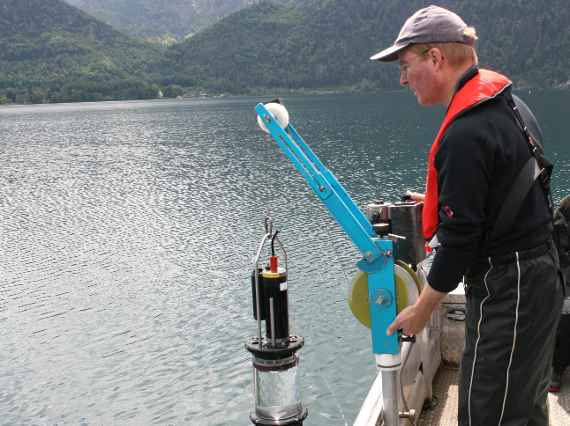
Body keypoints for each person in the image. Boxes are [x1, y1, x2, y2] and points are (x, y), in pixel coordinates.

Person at [371, 5, 563, 425]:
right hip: (539, 273)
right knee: (524, 405)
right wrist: (445, 197)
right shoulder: (509, 104)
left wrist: (422, 310)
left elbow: (459, 243)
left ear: (435, 58)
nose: (403, 79)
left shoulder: (465, 132)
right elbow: (510, 185)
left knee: (486, 414)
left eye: (406, 66)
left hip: (509, 286)